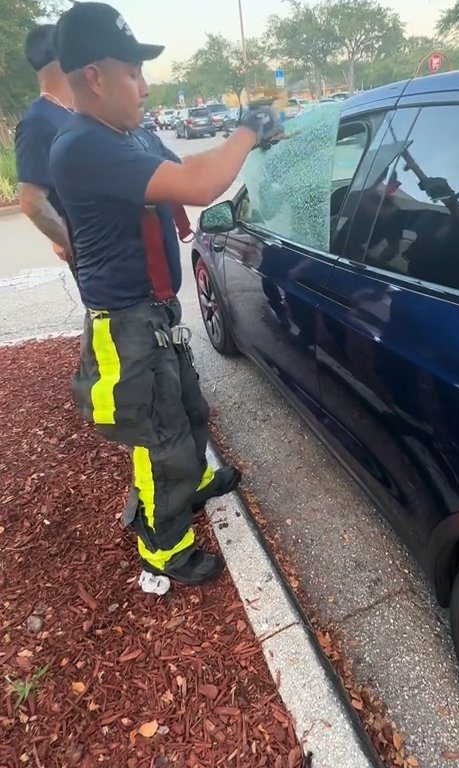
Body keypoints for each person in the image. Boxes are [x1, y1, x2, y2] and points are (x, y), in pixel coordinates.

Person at [50, 2, 282, 590]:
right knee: (160, 442)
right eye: (133, 73)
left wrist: (241, 142)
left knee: (188, 413)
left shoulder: (121, 136)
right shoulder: (83, 145)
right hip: (126, 325)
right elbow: (202, 185)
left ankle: (195, 485)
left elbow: (190, 165)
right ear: (96, 78)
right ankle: (165, 549)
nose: (145, 87)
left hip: (152, 314)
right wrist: (249, 127)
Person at [16, 24, 74, 267]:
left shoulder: (69, 113)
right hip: (97, 260)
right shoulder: (38, 122)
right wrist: (69, 243)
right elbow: (32, 201)